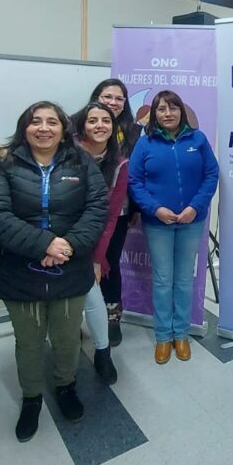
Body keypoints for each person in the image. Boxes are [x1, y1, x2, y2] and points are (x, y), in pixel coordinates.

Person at [0, 102, 107, 442]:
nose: (44, 128)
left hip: (71, 270)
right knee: (29, 342)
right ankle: (31, 397)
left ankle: (66, 386)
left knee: (67, 339)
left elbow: (97, 209)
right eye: (36, 121)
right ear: (25, 127)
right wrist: (44, 244)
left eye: (53, 122)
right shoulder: (4, 164)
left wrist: (66, 247)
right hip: (20, 272)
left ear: (64, 129)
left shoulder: (82, 162)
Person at [127, 90, 218, 365]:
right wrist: (155, 209)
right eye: (162, 109)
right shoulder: (145, 144)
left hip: (192, 221)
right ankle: (163, 336)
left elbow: (211, 174)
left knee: (182, 280)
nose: (168, 113)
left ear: (182, 111)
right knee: (163, 280)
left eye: (173, 108)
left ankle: (182, 334)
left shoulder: (198, 139)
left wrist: (195, 207)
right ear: (154, 114)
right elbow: (134, 181)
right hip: (158, 222)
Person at [71, 78, 141, 346]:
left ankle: (112, 319)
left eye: (119, 98)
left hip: (119, 210)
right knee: (77, 265)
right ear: (97, 97)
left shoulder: (133, 132)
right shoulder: (75, 132)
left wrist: (135, 207)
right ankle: (73, 320)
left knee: (110, 263)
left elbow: (135, 173)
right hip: (77, 212)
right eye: (108, 96)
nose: (113, 102)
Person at [75, 102, 130, 385]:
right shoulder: (66, 154)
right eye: (92, 120)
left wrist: (97, 258)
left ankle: (102, 352)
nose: (99, 125)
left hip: (94, 239)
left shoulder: (119, 165)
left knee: (94, 293)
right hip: (60, 237)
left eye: (105, 121)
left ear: (114, 126)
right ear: (82, 125)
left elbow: (110, 218)